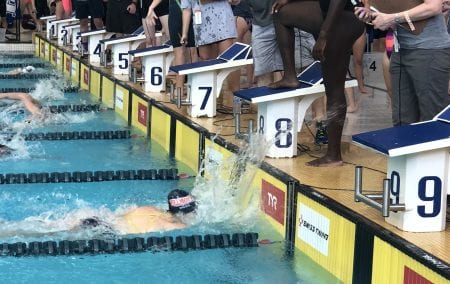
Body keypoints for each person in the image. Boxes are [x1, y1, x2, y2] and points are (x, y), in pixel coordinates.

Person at [270, 0, 365, 167]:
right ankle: (290, 76)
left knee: (334, 89)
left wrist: (323, 35)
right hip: (328, 12)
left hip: (343, 18)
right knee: (281, 13)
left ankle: (334, 155)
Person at [355, 0, 450, 126]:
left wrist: (391, 18)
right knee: (402, 118)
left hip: (429, 50)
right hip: (400, 49)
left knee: (433, 119)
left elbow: (434, 6)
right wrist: (371, 14)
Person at [0, 189, 196, 238]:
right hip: (102, 229)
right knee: (44, 235)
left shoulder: (149, 209)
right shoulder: (175, 225)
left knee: (44, 227)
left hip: (97, 218)